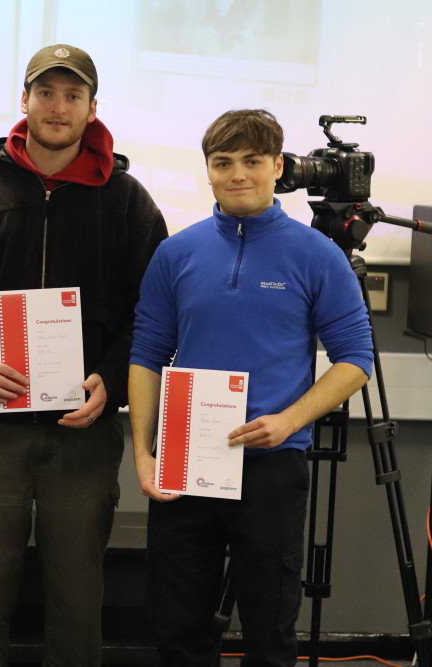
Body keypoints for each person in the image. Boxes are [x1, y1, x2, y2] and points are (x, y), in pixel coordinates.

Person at [0, 44, 168, 666]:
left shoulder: (129, 204)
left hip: (83, 431)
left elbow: (152, 312)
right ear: (24, 100)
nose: (59, 107)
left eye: (73, 95)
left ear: (91, 108)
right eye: (47, 93)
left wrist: (111, 379)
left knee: (78, 595)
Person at [129, 108, 374, 666]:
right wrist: (144, 452)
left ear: (277, 166)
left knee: (269, 632)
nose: (238, 174)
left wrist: (290, 420)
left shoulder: (317, 255)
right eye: (223, 163)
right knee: (177, 630)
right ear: (208, 172)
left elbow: (356, 358)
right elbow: (146, 355)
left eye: (252, 161)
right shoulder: (176, 253)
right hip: (184, 464)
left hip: (272, 464)